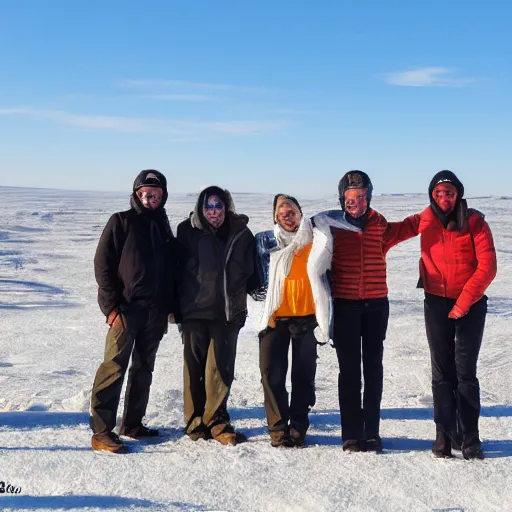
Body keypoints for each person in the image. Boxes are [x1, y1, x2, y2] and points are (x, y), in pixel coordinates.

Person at [391, 170, 497, 459]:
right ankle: (444, 433)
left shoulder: (474, 221)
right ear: (432, 196)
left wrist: (463, 303)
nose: (444, 197)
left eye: (449, 192)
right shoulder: (426, 219)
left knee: (465, 373)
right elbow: (394, 233)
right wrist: (364, 242)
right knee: (441, 374)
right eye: (438, 193)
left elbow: (487, 267)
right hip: (436, 302)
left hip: (470, 305)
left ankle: (470, 437)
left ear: (458, 194)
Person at [312, 170, 416, 454]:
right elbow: (304, 241)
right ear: (341, 199)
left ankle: (372, 432)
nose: (354, 203)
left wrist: (442, 212)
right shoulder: (332, 227)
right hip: (345, 307)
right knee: (349, 373)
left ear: (368, 197)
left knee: (373, 369)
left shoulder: (379, 226)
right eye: (349, 198)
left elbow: (410, 226)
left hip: (376, 307)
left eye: (360, 197)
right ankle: (351, 435)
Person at [256, 194, 359, 447]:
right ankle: (278, 428)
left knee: (303, 377)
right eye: (282, 211)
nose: (287, 214)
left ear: (301, 213)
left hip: (307, 319)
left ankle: (298, 426)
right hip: (274, 320)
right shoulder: (264, 241)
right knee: (271, 374)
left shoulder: (317, 238)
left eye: (292, 210)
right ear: (275, 217)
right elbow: (256, 283)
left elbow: (331, 267)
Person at [90, 170, 179, 453]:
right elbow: (103, 265)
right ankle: (102, 431)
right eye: (144, 193)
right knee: (113, 367)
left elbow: (172, 272)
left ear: (162, 196)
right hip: (127, 311)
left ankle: (132, 424)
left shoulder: (164, 227)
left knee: (143, 368)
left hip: (155, 313)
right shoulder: (122, 221)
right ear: (136, 195)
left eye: (155, 193)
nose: (149, 197)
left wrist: (171, 307)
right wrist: (111, 307)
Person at [176, 186, 255, 445]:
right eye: (208, 207)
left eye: (218, 206)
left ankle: (217, 422)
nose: (213, 212)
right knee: (194, 369)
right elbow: (173, 272)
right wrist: (174, 308)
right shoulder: (187, 231)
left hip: (227, 314)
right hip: (194, 312)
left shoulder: (241, 233)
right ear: (201, 207)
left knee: (220, 370)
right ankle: (195, 422)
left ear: (227, 207)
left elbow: (252, 274)